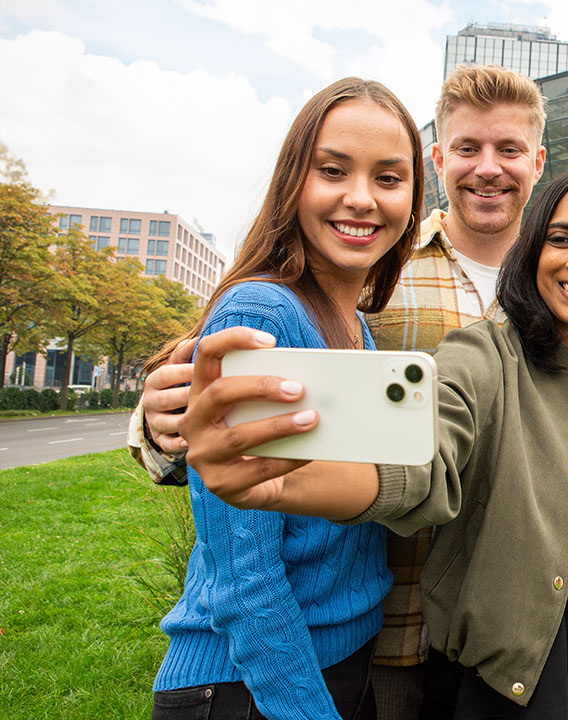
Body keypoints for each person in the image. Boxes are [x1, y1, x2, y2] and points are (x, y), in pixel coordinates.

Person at [177, 164, 568, 720]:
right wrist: (286, 483)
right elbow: (419, 460)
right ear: (532, 251)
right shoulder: (482, 357)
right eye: (560, 238)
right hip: (495, 701)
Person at [128, 64, 548, 719]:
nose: (487, 167)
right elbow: (235, 503)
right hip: (353, 653)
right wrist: (161, 430)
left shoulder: (567, 284)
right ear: (437, 163)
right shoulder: (367, 274)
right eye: (467, 148)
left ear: (538, 161)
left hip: (488, 641)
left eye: (384, 178)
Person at [147, 76, 425, 720]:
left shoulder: (353, 325)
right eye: (333, 171)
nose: (361, 199)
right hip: (253, 683)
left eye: (388, 178)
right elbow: (244, 571)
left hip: (331, 665)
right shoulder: (262, 312)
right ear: (292, 180)